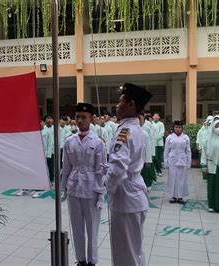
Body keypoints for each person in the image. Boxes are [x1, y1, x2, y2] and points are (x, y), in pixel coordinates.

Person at [103, 83, 152, 266]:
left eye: (120, 102)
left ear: (131, 105)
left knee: (125, 254)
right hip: (135, 194)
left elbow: (117, 168)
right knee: (135, 250)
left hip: (125, 199)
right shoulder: (136, 129)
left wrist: (105, 187)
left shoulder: (125, 131)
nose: (116, 106)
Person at [61, 103, 106, 266]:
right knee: (77, 227)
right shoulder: (69, 141)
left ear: (91, 119)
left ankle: (92, 261)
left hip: (91, 189)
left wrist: (101, 195)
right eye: (77, 117)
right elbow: (65, 167)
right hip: (74, 187)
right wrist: (63, 188)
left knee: (92, 229)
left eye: (83, 117)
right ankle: (80, 260)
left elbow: (101, 172)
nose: (79, 120)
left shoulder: (98, 142)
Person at [164, 121, 191, 204]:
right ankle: (174, 196)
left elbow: (188, 151)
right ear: (173, 128)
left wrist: (188, 162)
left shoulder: (185, 137)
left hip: (182, 159)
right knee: (173, 178)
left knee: (182, 179)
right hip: (172, 159)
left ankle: (180, 197)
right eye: (176, 127)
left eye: (179, 127)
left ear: (182, 128)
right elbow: (166, 150)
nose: (178, 129)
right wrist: (166, 162)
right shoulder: (169, 137)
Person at [139, 113, 155, 190]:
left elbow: (148, 147)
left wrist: (148, 160)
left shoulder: (144, 133)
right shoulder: (124, 132)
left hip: (141, 160)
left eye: (141, 119)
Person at [197, 116, 214, 180]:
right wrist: (199, 148)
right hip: (204, 148)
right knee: (204, 162)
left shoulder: (213, 130)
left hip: (212, 149)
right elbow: (198, 139)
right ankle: (205, 176)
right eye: (208, 121)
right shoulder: (202, 130)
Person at [152, 113, 165, 177]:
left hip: (159, 143)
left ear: (159, 117)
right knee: (154, 157)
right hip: (152, 144)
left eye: (157, 116)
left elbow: (162, 133)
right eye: (155, 116)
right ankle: (155, 170)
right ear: (153, 117)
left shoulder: (161, 124)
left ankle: (159, 171)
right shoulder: (151, 123)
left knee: (159, 158)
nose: (156, 117)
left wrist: (155, 139)